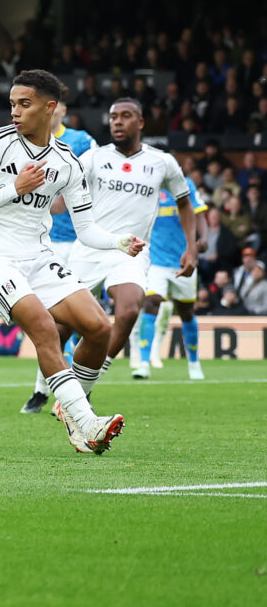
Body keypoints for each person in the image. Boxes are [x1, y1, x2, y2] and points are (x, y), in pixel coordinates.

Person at [0, 71, 145, 454]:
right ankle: (87, 420)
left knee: (98, 328)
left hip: (39, 256)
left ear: (49, 108)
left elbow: (86, 228)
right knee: (44, 327)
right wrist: (14, 188)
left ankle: (72, 410)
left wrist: (118, 242)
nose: (15, 112)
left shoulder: (67, 162)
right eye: (12, 104)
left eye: (24, 104)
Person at [36, 100, 192, 403]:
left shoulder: (162, 162)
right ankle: (41, 390)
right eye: (113, 117)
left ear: (141, 122)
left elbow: (184, 202)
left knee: (130, 309)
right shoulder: (94, 157)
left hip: (130, 252)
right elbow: (62, 191)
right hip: (89, 250)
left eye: (125, 116)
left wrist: (191, 249)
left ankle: (83, 390)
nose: (117, 122)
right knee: (60, 329)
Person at [16, 100, 96, 412]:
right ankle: (43, 390)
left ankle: (65, 389)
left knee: (74, 320)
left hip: (78, 242)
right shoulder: (27, 141)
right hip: (42, 241)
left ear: (60, 107)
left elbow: (94, 178)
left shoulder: (83, 141)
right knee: (47, 320)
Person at [134, 172, 207, 379]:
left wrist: (202, 241)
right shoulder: (146, 186)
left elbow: (200, 214)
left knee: (186, 312)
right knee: (151, 302)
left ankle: (194, 363)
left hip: (183, 258)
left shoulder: (186, 185)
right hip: (156, 259)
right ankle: (144, 364)